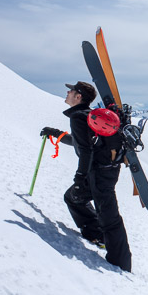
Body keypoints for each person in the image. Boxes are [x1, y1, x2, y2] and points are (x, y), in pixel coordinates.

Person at [41, 81, 132, 272]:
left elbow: (85, 151)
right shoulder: (89, 117)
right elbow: (82, 143)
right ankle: (97, 235)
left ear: (78, 96)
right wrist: (56, 134)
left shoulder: (80, 117)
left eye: (71, 90)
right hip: (105, 170)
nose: (67, 92)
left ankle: (121, 264)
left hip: (98, 173)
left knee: (110, 218)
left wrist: (79, 177)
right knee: (73, 198)